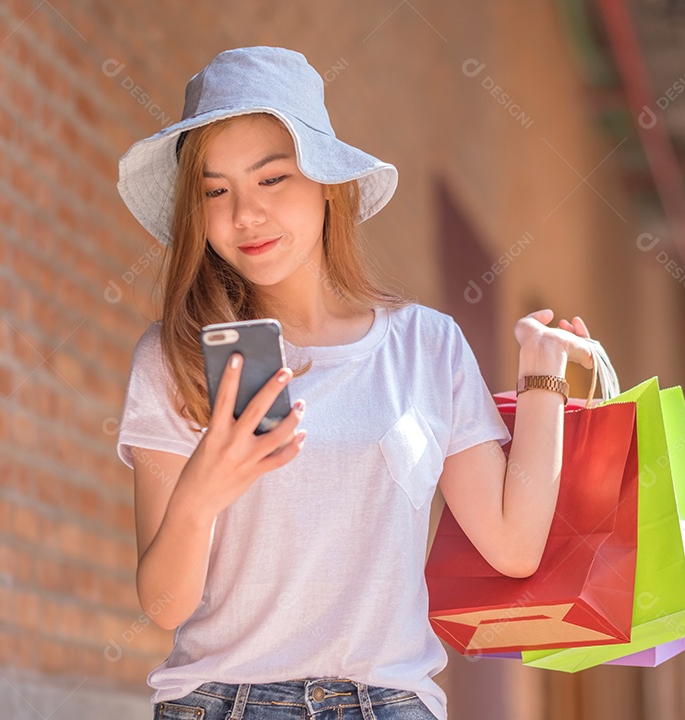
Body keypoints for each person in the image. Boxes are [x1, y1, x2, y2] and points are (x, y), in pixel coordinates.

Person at [115, 46, 597, 720]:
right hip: (224, 702)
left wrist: (544, 375)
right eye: (216, 190)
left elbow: (514, 547)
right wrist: (201, 494)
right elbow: (165, 605)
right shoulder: (176, 358)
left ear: (327, 185)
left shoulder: (425, 346)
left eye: (272, 180)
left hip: (390, 703)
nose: (245, 215)